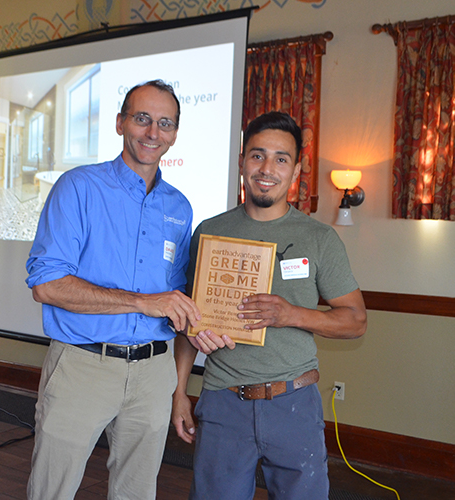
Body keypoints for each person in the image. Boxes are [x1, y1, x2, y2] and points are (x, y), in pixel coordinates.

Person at [172, 111, 367, 500]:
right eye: (257, 155)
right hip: (223, 402)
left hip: (294, 401)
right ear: (242, 161)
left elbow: (356, 321)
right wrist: (179, 392)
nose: (267, 168)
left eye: (281, 159)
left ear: (296, 170)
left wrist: (290, 314)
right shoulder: (209, 231)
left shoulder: (318, 238)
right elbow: (187, 322)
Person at [26, 79, 201, 500]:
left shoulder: (180, 207)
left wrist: (181, 383)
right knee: (53, 491)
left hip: (154, 374)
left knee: (137, 494)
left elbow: (175, 300)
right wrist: (142, 302)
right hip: (82, 366)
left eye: (165, 123)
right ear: (121, 123)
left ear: (175, 134)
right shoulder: (79, 187)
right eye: (142, 119)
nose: (153, 133)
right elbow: (47, 285)